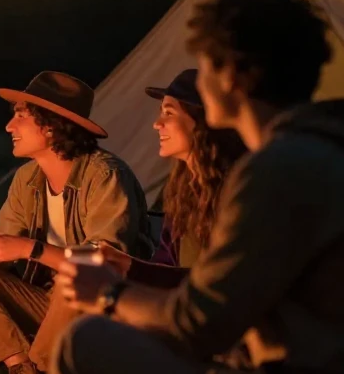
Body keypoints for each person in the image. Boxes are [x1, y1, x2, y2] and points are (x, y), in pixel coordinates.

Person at [0, 0, 344, 374]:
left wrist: (110, 293)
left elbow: (198, 323)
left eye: (205, 66)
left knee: (90, 343)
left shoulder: (277, 171)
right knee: (133, 351)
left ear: (230, 75)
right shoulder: (329, 151)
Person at [0, 71, 154, 374]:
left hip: (104, 310)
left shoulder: (104, 175)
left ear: (52, 126)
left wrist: (30, 249)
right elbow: (7, 250)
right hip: (48, 307)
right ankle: (23, 373)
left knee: (74, 277)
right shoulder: (27, 179)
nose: (10, 127)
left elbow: (104, 264)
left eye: (20, 116)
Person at [99, 69, 247, 289]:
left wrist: (130, 267)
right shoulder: (184, 188)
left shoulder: (235, 188)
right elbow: (166, 260)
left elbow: (221, 279)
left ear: (201, 120)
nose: (157, 124)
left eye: (168, 113)